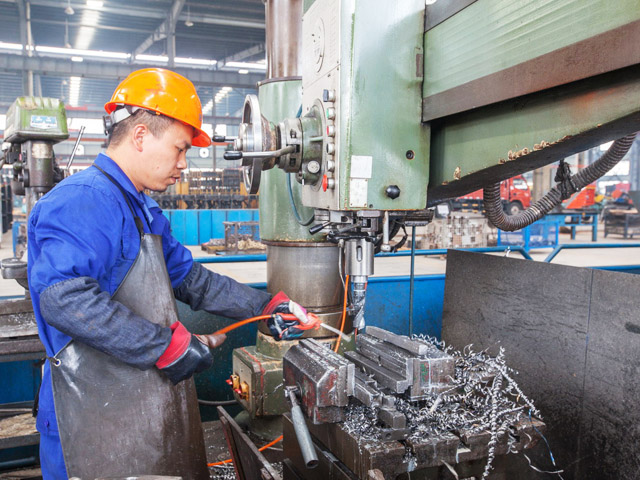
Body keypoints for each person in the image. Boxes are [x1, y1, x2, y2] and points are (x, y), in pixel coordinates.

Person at [27, 68, 309, 479]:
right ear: (140, 135)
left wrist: (267, 307)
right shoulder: (84, 200)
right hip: (87, 421)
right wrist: (165, 346)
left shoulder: (142, 208)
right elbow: (64, 299)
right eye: (179, 149)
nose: (183, 164)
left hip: (137, 409)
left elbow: (191, 280)